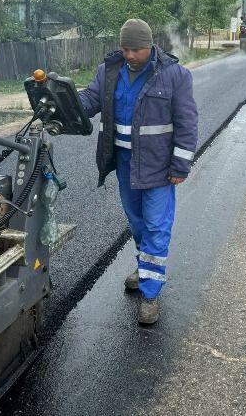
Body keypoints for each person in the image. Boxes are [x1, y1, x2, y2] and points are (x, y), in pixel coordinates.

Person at [78, 19, 198, 325]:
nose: (130, 55)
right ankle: (146, 268)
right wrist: (63, 101)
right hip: (125, 164)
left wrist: (180, 165)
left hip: (159, 168)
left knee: (156, 226)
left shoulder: (174, 76)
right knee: (138, 223)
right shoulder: (109, 72)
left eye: (136, 49)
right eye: (125, 49)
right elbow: (89, 100)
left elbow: (187, 124)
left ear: (150, 46)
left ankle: (150, 293)